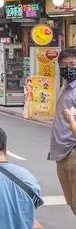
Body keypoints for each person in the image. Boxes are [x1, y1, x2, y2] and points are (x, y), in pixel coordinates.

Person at [50, 48, 76, 216]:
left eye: (72, 64)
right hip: (62, 154)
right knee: (72, 203)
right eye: (64, 65)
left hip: (73, 152)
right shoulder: (66, 86)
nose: (68, 68)